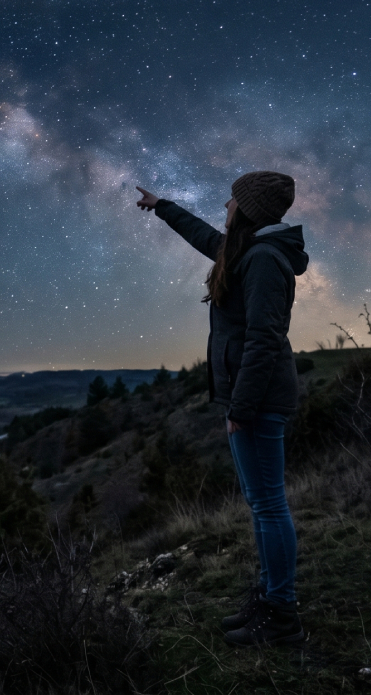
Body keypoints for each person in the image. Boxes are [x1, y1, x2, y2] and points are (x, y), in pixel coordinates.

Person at [135, 172, 308, 647]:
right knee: (261, 504)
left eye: (234, 198)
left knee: (270, 504)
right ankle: (271, 597)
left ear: (248, 210)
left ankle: (281, 615)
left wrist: (243, 407)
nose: (226, 203)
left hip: (259, 400)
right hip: (250, 397)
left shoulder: (266, 260)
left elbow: (264, 338)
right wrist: (163, 206)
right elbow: (207, 237)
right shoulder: (247, 251)